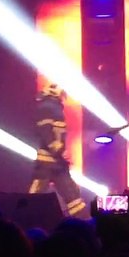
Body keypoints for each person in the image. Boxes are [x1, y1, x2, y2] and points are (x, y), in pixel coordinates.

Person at [28, 83, 86, 218]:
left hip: (57, 163)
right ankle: (24, 223)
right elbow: (46, 133)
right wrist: (59, 151)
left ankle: (83, 223)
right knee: (34, 197)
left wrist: (60, 154)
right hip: (47, 163)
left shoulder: (54, 108)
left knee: (73, 195)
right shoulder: (47, 108)